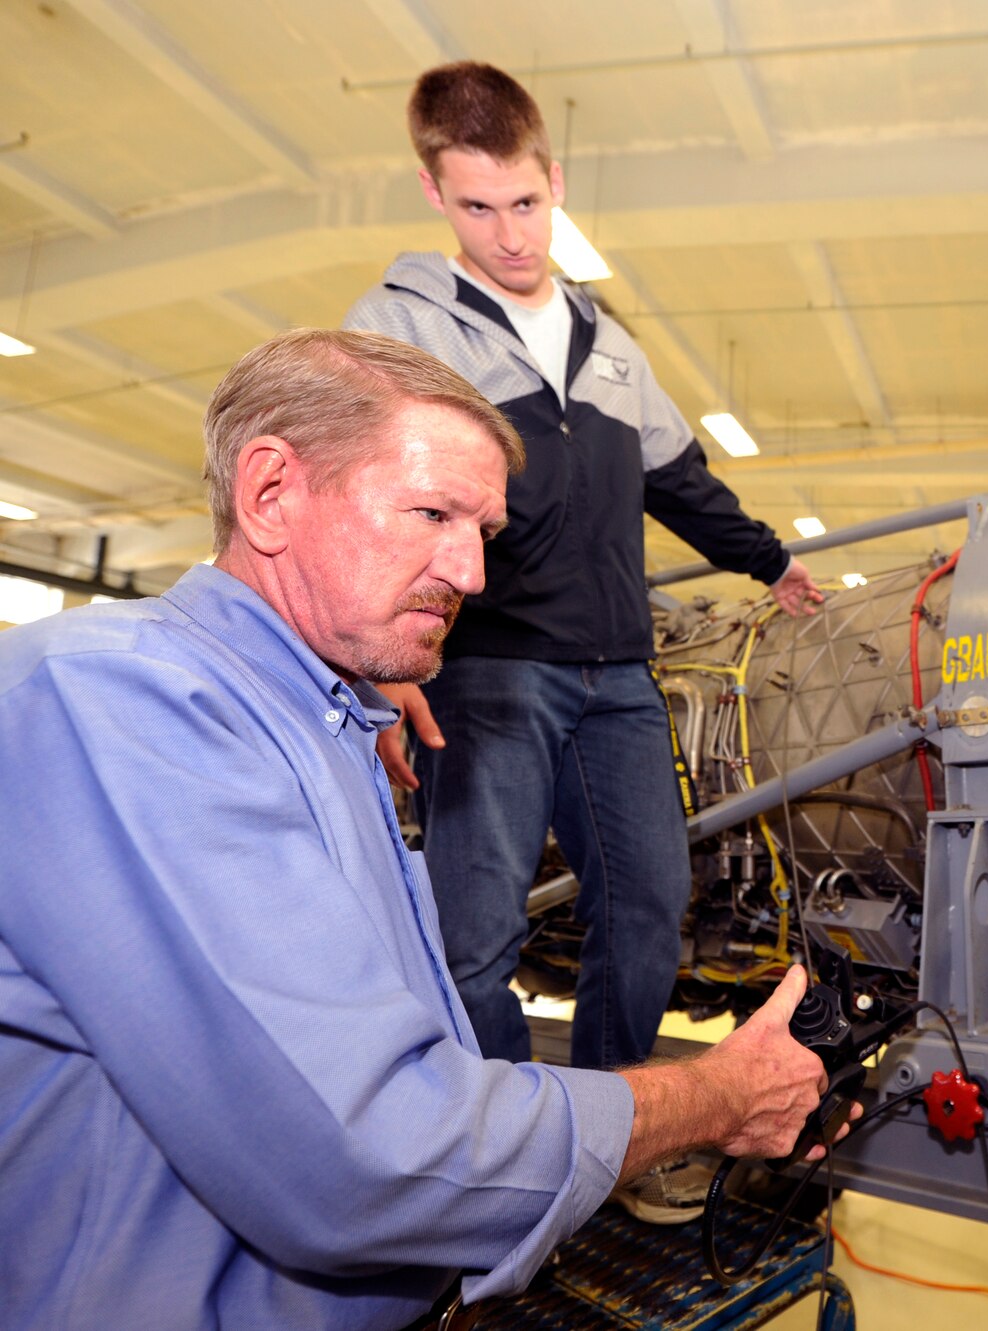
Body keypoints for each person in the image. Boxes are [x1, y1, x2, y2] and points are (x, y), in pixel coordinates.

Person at [0, 329, 837, 1330]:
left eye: (484, 529)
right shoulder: (119, 699)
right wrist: (712, 1098)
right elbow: (371, 1155)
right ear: (270, 494)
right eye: (434, 513)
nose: (473, 572)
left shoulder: (326, 718)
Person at [342, 66, 822, 1224]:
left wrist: (769, 560)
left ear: (554, 181)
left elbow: (679, 478)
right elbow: (356, 501)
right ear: (434, 194)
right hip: (490, 670)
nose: (508, 234)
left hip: (618, 675)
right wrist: (375, 666)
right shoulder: (396, 328)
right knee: (478, 935)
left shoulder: (609, 342)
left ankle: (620, 1135)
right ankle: (506, 1161)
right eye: (477, 208)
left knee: (649, 906)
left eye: (524, 202)